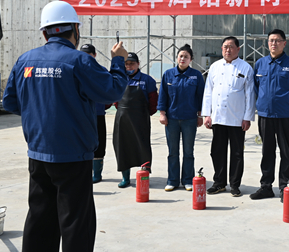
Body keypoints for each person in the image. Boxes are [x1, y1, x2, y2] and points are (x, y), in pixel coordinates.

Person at [3, 0, 127, 252]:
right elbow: (112, 90)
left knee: (40, 219)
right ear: (74, 30)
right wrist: (118, 61)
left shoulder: (25, 60)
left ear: (45, 32)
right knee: (75, 224)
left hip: (38, 154)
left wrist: (40, 112)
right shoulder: (78, 61)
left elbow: (10, 102)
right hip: (73, 156)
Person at [250, 29, 289, 202]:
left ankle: (285, 187)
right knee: (267, 151)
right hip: (265, 115)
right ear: (268, 43)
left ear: (284, 43)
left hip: (284, 115)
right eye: (271, 40)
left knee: (285, 151)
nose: (274, 43)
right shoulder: (260, 63)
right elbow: (256, 87)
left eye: (278, 40)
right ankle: (266, 186)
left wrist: (288, 107)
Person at [201, 36, 255, 197]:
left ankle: (235, 185)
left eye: (231, 47)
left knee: (237, 153)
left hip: (237, 118)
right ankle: (219, 183)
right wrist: (207, 114)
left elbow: (250, 94)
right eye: (225, 47)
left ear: (238, 49)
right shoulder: (215, 67)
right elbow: (208, 91)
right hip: (217, 117)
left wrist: (248, 117)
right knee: (217, 151)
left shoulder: (245, 68)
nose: (228, 50)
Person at [157, 44, 205, 191]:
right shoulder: (168, 74)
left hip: (189, 119)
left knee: (188, 151)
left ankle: (187, 180)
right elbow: (163, 95)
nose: (183, 59)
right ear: (177, 58)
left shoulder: (196, 76)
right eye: (181, 56)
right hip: (171, 119)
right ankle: (172, 180)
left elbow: (201, 97)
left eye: (186, 57)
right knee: (173, 152)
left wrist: (200, 115)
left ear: (191, 59)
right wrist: (162, 113)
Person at [112, 52, 158, 188]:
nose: (129, 66)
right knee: (122, 147)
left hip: (140, 120)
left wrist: (144, 114)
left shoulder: (148, 80)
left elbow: (153, 102)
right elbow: (115, 100)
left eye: (132, 63)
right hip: (122, 120)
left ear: (138, 64)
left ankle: (144, 177)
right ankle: (125, 178)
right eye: (126, 64)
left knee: (143, 147)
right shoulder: (119, 79)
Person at [79, 43, 109, 183]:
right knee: (81, 143)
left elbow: (109, 94)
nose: (86, 57)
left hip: (97, 114)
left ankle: (97, 173)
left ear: (95, 55)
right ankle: (84, 172)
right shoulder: (74, 70)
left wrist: (101, 106)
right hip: (80, 114)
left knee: (99, 143)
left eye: (89, 55)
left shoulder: (101, 71)